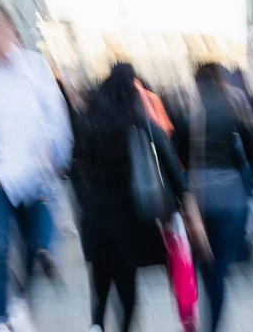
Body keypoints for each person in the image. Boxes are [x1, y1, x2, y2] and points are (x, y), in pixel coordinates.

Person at [78, 63, 207, 332]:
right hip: (128, 216)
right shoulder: (139, 123)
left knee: (101, 277)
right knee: (126, 283)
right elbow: (171, 165)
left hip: (95, 217)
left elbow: (75, 168)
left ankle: (97, 324)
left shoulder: (88, 125)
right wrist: (184, 203)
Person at [0, 3, 73, 332]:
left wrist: (54, 153)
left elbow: (56, 116)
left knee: (32, 246)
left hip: (34, 173)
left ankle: (20, 301)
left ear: (13, 30)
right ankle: (2, 317)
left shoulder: (35, 67)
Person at [188, 63, 253, 332]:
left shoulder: (192, 114)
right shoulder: (234, 107)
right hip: (231, 195)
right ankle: (213, 323)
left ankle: (209, 318)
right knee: (219, 271)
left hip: (199, 198)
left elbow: (181, 157)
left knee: (208, 271)